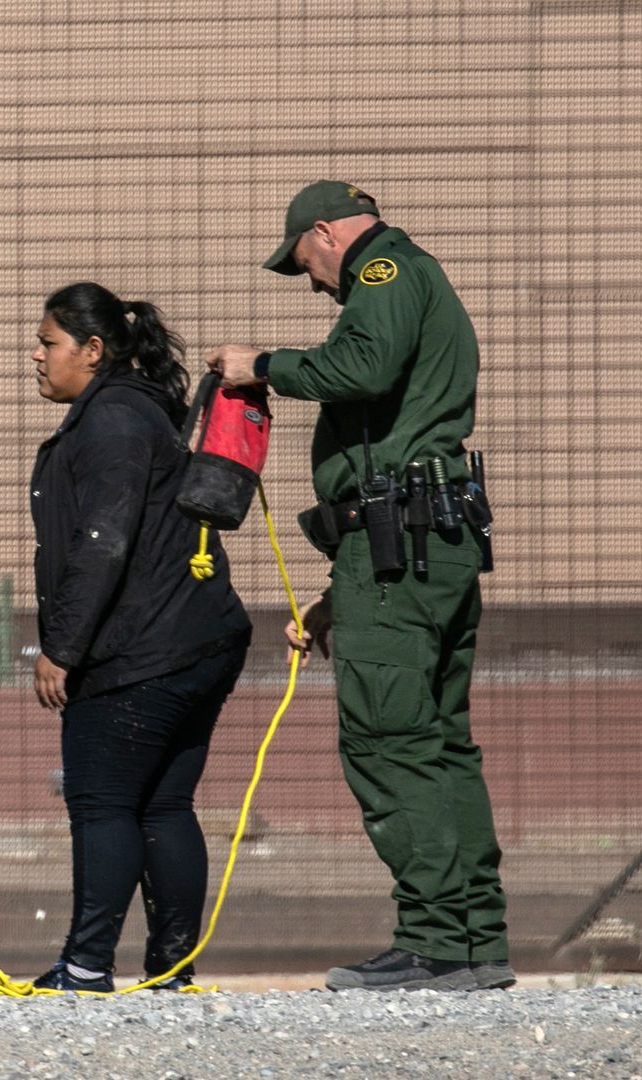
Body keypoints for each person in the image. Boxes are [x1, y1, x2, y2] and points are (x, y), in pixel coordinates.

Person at [206, 180, 513, 992]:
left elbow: (364, 367)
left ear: (325, 233)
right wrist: (336, 597)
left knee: (390, 740)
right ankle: (475, 940)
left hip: (402, 551)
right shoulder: (415, 280)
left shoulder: (385, 275)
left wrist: (261, 366)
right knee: (440, 741)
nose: (310, 281)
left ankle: (435, 941)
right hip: (418, 548)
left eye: (303, 261)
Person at [27, 282, 253, 993]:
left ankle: (87, 967)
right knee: (161, 804)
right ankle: (171, 972)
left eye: (48, 342)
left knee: (102, 802)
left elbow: (104, 541)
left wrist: (61, 648)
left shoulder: (114, 421)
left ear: (92, 351)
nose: (35, 356)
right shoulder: (135, 409)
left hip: (146, 652)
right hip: (195, 641)